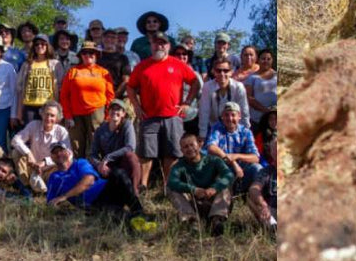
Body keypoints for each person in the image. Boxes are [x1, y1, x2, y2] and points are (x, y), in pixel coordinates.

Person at [127, 31, 198, 193]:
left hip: (173, 116)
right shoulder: (142, 66)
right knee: (146, 153)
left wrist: (187, 103)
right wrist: (136, 106)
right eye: (156, 43)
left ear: (168, 46)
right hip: (149, 116)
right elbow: (130, 87)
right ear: (151, 45)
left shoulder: (178, 64)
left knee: (171, 153)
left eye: (162, 43)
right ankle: (143, 186)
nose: (159, 46)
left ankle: (169, 187)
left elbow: (195, 82)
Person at [45, 141, 149, 224]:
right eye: (55, 152)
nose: (58, 154)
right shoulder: (54, 178)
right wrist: (60, 209)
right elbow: (50, 203)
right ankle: (136, 220)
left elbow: (89, 180)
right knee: (115, 215)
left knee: (119, 173)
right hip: (93, 203)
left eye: (61, 150)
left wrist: (65, 196)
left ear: (68, 152)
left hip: (107, 190)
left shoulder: (80, 163)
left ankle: (139, 211)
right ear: (52, 158)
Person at [167, 133, 233, 235]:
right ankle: (191, 221)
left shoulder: (213, 160)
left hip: (213, 202)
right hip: (193, 203)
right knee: (170, 189)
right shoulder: (179, 165)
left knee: (225, 187)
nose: (190, 149)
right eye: (185, 147)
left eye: (192, 145)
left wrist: (214, 188)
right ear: (181, 151)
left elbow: (229, 175)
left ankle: (216, 220)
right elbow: (172, 181)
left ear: (199, 145)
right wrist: (194, 190)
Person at [60, 41, 115, 158]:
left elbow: (110, 96)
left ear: (96, 55)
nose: (88, 55)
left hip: (97, 113)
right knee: (76, 146)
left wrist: (107, 116)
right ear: (81, 55)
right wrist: (68, 116)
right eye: (84, 52)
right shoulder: (73, 71)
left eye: (91, 52)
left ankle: (96, 168)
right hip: (75, 115)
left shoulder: (103, 72)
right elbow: (64, 95)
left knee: (96, 145)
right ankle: (78, 168)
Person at [10, 100, 70, 193]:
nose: (48, 118)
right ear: (41, 114)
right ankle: (26, 186)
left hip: (51, 169)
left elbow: (68, 154)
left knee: (65, 163)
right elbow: (15, 140)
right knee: (16, 153)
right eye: (46, 114)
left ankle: (49, 189)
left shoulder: (62, 131)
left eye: (52, 116)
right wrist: (28, 153)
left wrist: (45, 162)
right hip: (32, 167)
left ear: (57, 118)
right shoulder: (34, 125)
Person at [204, 102, 262, 196]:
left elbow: (255, 158)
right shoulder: (217, 128)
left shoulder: (246, 132)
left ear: (239, 116)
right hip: (223, 170)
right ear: (222, 117)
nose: (230, 118)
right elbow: (211, 147)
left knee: (257, 168)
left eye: (233, 115)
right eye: (226, 115)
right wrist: (233, 162)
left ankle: (257, 195)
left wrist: (236, 156)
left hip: (242, 172)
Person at [90, 99, 141, 196]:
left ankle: (134, 192)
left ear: (123, 114)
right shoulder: (100, 130)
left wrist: (109, 157)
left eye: (118, 109)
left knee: (132, 156)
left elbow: (130, 147)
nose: (115, 111)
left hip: (122, 162)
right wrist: (99, 165)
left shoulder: (127, 125)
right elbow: (93, 154)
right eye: (112, 109)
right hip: (107, 166)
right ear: (108, 112)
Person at [15, 34, 64, 125]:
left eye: (43, 44)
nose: (39, 46)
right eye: (37, 44)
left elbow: (61, 88)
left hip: (49, 106)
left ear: (47, 46)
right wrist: (19, 111)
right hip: (30, 106)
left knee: (48, 133)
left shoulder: (55, 64)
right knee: (31, 132)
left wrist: (59, 111)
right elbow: (20, 88)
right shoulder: (27, 65)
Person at [198, 57, 250, 140]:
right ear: (213, 72)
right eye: (218, 71)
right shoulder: (207, 87)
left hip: (235, 128)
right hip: (214, 128)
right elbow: (204, 112)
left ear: (231, 72)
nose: (222, 74)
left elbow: (244, 112)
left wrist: (245, 133)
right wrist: (202, 135)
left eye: (226, 71)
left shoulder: (238, 87)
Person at [247, 138, 277, 235]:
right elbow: (254, 188)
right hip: (272, 209)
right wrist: (263, 204)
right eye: (275, 149)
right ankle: (272, 227)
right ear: (271, 153)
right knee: (251, 199)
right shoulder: (266, 171)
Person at [246, 48, 277, 133]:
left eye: (268, 59)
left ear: (272, 61)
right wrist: (266, 111)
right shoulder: (251, 77)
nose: (266, 61)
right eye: (263, 58)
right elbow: (249, 98)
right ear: (258, 60)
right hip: (257, 121)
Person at [99, 27, 132, 99]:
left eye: (113, 37)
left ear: (117, 40)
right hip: (97, 94)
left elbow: (126, 80)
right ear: (102, 39)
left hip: (116, 96)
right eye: (107, 37)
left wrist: (114, 96)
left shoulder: (123, 58)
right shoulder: (96, 56)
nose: (109, 40)